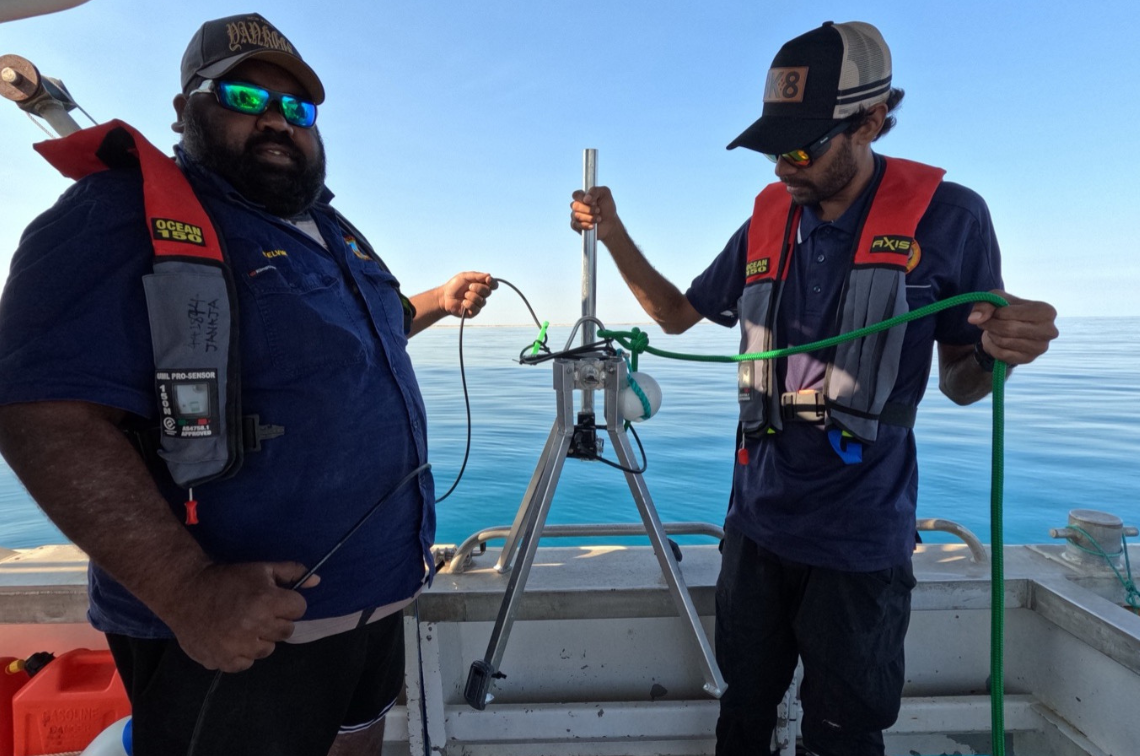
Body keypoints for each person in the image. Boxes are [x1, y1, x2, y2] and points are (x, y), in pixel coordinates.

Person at [0, 12, 494, 756]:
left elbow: (375, 325)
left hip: (371, 600)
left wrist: (439, 298)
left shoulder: (332, 230)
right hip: (240, 630)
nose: (275, 121)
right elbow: (39, 413)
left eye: (296, 108)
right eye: (242, 98)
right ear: (184, 111)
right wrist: (187, 591)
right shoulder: (114, 214)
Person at [571, 20, 1057, 756]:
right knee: (743, 712)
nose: (782, 169)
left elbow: (963, 384)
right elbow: (674, 315)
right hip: (757, 530)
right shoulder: (768, 218)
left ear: (871, 120)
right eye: (773, 148)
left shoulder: (952, 217)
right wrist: (613, 233)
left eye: (801, 147)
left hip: (861, 544)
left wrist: (1000, 352)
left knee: (844, 733)